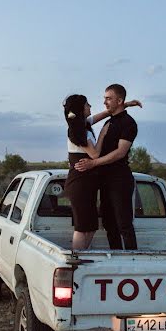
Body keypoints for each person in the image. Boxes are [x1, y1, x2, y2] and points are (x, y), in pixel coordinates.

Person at [63, 93, 141, 250]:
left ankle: (83, 256)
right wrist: (103, 135)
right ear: (80, 109)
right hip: (80, 183)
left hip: (87, 184)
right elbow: (95, 154)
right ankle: (77, 259)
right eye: (87, 105)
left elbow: (105, 114)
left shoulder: (84, 124)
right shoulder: (77, 131)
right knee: (83, 227)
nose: (90, 106)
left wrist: (124, 105)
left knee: (90, 226)